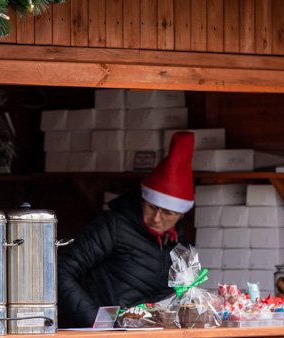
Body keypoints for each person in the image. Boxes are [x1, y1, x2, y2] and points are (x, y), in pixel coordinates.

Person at [58, 131, 196, 327]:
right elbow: (61, 272)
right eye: (152, 207)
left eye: (168, 213)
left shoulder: (181, 248)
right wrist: (100, 322)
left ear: (181, 215)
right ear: (143, 201)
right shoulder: (112, 227)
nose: (156, 218)